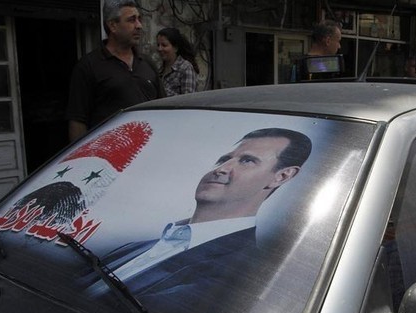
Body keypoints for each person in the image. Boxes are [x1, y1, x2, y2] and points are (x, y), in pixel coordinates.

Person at [85, 127, 312, 296]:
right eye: (224, 159)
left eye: (247, 161)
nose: (221, 169)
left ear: (281, 176)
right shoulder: (134, 247)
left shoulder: (241, 271)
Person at [66, 0, 164, 142]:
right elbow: (77, 121)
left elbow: (162, 108)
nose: (139, 26)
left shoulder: (147, 63)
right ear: (113, 25)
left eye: (139, 19)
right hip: (111, 157)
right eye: (131, 20)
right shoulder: (88, 66)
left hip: (149, 150)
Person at [157, 27, 199, 96]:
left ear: (175, 48)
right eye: (158, 45)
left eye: (164, 45)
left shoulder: (185, 68)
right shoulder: (159, 70)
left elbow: (188, 100)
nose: (159, 49)